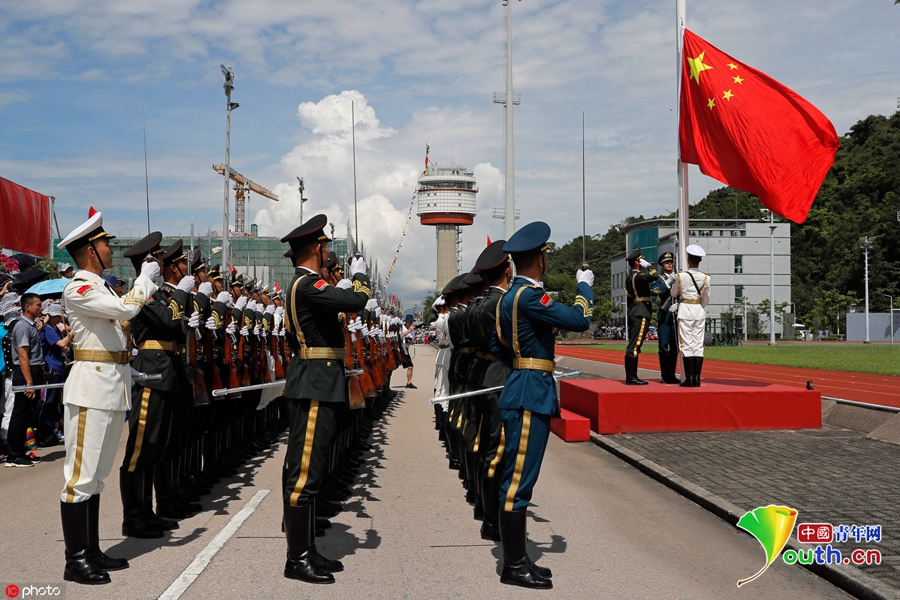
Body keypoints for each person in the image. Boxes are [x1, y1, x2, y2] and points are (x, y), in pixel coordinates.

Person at [56, 207, 160, 584]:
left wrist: (124, 362)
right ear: (89, 251)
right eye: (104, 243)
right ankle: (75, 559)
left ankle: (93, 550)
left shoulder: (100, 286)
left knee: (96, 477)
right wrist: (145, 282)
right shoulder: (78, 287)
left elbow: (114, 330)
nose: (109, 249)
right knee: (79, 477)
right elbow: (123, 310)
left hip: (111, 385)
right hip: (91, 389)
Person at [494, 222, 593, 589]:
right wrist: (585, 286)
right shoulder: (531, 298)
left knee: (520, 477)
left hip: (524, 385)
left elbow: (498, 344)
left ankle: (519, 560)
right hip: (529, 393)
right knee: (517, 481)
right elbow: (580, 320)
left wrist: (522, 366)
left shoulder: (509, 297)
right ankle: (514, 565)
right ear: (540, 259)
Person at [280, 214, 371, 584]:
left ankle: (308, 549)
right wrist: (361, 277)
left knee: (312, 468)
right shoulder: (306, 284)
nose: (328, 251)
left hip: (321, 381)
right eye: (326, 246)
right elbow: (356, 302)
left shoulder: (307, 285)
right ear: (317, 248)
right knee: (304, 471)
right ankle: (296, 558)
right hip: (315, 384)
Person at [119, 233, 192, 538]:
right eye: (159, 260)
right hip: (151, 372)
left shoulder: (158, 293)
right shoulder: (144, 292)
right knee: (140, 448)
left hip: (167, 370)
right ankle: (132, 516)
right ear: (148, 264)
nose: (163, 265)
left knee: (156, 447)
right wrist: (184, 296)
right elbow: (170, 323)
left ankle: (147, 511)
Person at [6, 292, 45, 467]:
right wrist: (29, 382)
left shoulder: (30, 326)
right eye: (38, 305)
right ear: (28, 307)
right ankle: (13, 455)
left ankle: (20, 452)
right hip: (25, 374)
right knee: (20, 414)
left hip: (33, 372)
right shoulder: (22, 326)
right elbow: (23, 356)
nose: (41, 307)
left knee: (26, 413)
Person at [671, 245, 710, 387]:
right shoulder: (706, 278)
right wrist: (698, 307)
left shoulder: (681, 276)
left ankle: (689, 379)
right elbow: (706, 299)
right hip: (698, 311)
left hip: (685, 310)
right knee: (698, 345)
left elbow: (674, 293)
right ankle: (697, 379)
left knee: (686, 345)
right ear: (699, 260)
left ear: (688, 259)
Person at [623, 250, 661, 385]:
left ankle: (632, 376)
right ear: (637, 262)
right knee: (635, 345)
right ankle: (631, 377)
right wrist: (649, 265)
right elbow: (655, 276)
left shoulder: (629, 278)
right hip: (641, 312)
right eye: (641, 261)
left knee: (634, 345)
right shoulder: (638, 277)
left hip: (635, 310)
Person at [650, 252, 680, 384]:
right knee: (663, 346)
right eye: (666, 262)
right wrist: (668, 282)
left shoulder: (679, 277)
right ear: (662, 265)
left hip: (677, 315)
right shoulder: (659, 279)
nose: (669, 264)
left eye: (671, 262)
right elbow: (654, 292)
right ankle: (664, 375)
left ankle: (672, 374)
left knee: (675, 347)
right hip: (664, 315)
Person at [400, 314, 416, 388]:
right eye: (409, 322)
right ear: (406, 322)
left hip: (405, 349)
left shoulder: (413, 331)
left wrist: (410, 342)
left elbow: (413, 341)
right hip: (399, 348)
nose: (410, 324)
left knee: (410, 366)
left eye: (411, 322)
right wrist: (409, 331)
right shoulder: (401, 327)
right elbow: (400, 335)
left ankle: (409, 382)